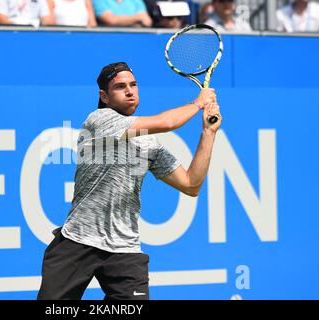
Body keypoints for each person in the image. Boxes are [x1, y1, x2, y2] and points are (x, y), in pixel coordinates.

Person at [37, 62, 221, 300]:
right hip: (77, 240)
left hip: (125, 249)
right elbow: (167, 123)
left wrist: (209, 133)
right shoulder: (99, 120)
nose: (129, 91)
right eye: (120, 87)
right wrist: (198, 103)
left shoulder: (149, 143)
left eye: (133, 85)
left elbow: (190, 184)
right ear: (104, 96)